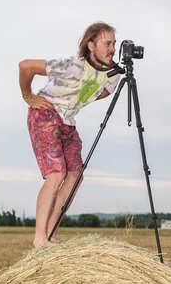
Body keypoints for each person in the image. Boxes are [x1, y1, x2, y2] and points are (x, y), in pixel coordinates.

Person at [19, 22, 120, 247]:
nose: (113, 48)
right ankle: (39, 238)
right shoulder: (71, 66)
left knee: (75, 175)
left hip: (68, 121)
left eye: (114, 43)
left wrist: (82, 100)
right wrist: (29, 97)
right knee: (56, 175)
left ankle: (51, 233)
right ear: (91, 45)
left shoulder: (113, 76)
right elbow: (25, 66)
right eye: (107, 43)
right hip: (45, 114)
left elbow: (104, 92)